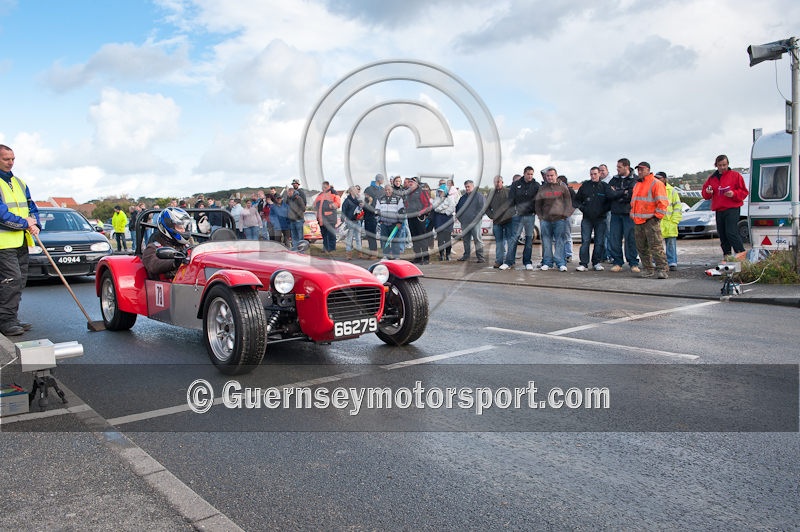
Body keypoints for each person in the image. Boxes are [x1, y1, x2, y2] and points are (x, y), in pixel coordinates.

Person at [0, 144, 40, 336]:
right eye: (6, 159)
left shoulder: (20, 183)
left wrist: (35, 223)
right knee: (11, 280)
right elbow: (2, 215)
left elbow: (32, 207)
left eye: (13, 159)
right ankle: (6, 321)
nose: (10, 162)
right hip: (2, 243)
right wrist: (24, 223)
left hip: (21, 241)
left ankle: (11, 317)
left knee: (20, 280)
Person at [701, 154, 749, 258]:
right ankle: (727, 256)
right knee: (722, 234)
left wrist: (733, 194)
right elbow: (705, 195)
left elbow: (744, 192)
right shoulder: (712, 178)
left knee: (731, 232)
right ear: (716, 165)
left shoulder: (736, 176)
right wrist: (708, 192)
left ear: (728, 164)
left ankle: (741, 254)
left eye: (724, 165)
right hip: (719, 209)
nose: (722, 167)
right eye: (720, 165)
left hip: (732, 208)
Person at [630, 162, 669, 279]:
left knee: (656, 246)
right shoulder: (637, 185)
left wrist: (656, 217)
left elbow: (662, 203)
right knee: (641, 247)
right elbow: (635, 202)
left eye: (642, 170)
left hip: (651, 220)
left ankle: (662, 269)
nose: (640, 172)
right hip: (638, 221)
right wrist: (633, 214)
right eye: (638, 170)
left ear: (648, 170)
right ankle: (648, 269)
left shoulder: (656, 183)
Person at [574, 166, 617, 271]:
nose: (593, 176)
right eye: (591, 174)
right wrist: (583, 208)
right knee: (585, 241)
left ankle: (596, 262)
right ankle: (583, 263)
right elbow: (576, 200)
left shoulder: (605, 187)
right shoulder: (585, 186)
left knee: (599, 242)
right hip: (587, 218)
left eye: (595, 174)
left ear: (599, 174)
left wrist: (603, 210)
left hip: (601, 218)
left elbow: (611, 199)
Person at [534, 167, 574, 271]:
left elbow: (568, 203)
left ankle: (561, 263)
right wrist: (541, 217)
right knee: (546, 242)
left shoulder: (562, 188)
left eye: (552, 175)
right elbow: (538, 204)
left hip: (559, 220)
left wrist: (565, 215)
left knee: (560, 242)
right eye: (548, 176)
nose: (550, 177)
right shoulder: (542, 188)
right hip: (546, 220)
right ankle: (547, 262)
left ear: (556, 175)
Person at [608, 158, 640, 273]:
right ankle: (617, 262)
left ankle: (633, 263)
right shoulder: (614, 179)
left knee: (631, 239)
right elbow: (610, 194)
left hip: (628, 213)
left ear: (626, 167)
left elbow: (632, 195)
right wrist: (622, 192)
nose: (617, 169)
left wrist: (617, 193)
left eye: (619, 167)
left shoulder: (635, 180)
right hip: (615, 213)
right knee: (615, 238)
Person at [142, 207, 193, 280]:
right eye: (179, 227)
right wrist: (174, 263)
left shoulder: (188, 247)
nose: (183, 230)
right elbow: (153, 265)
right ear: (168, 226)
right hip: (167, 286)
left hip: (189, 284)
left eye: (184, 227)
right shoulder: (153, 248)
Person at [509, 166, 539, 270]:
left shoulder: (536, 185)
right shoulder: (516, 184)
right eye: (528, 174)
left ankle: (527, 262)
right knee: (514, 238)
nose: (530, 176)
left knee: (529, 239)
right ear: (524, 174)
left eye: (531, 174)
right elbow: (510, 200)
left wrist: (535, 211)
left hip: (530, 216)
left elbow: (539, 200)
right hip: (517, 216)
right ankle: (509, 262)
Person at [485, 175, 514, 270]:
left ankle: (510, 261)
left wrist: (508, 215)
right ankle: (499, 261)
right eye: (495, 182)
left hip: (509, 221)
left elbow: (513, 206)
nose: (497, 184)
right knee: (499, 243)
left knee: (510, 242)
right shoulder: (491, 193)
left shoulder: (508, 192)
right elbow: (486, 207)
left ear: (502, 182)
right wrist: (492, 216)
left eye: (499, 182)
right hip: (497, 222)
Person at [655, 172, 683, 270]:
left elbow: (678, 206)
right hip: (658, 222)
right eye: (656, 178)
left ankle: (672, 262)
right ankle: (658, 263)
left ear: (665, 179)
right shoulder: (653, 189)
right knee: (656, 245)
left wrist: (674, 220)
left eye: (660, 178)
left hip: (669, 222)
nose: (657, 180)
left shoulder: (672, 191)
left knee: (670, 244)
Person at [455, 179, 486, 263]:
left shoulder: (479, 196)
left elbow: (483, 208)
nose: (467, 188)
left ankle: (480, 257)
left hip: (475, 222)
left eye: (468, 187)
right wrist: (461, 218)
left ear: (473, 186)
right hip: (464, 222)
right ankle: (466, 256)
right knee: (466, 240)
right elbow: (458, 209)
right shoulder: (462, 198)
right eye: (466, 187)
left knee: (477, 239)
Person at [404, 177, 432, 264]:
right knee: (414, 238)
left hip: (419, 217)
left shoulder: (422, 192)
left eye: (413, 181)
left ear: (417, 183)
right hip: (410, 217)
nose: (411, 183)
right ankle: (418, 257)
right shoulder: (408, 193)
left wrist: (421, 212)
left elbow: (429, 205)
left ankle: (426, 258)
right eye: (410, 181)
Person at [376, 184, 405, 260]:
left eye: (389, 190)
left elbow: (402, 211)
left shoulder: (398, 199)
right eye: (386, 190)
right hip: (384, 223)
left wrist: (400, 222)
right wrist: (379, 220)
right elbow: (377, 210)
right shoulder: (380, 199)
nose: (387, 191)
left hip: (395, 224)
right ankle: (386, 255)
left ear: (392, 190)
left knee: (395, 241)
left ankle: (396, 257)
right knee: (384, 240)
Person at [314, 181, 341, 253]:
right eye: (323, 187)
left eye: (325, 187)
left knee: (331, 234)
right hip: (321, 219)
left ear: (328, 186)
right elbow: (315, 204)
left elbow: (338, 203)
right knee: (324, 234)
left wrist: (331, 206)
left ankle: (331, 249)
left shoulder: (333, 193)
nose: (324, 188)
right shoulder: (320, 195)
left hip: (330, 218)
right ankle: (325, 248)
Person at [431, 184, 456, 261]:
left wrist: (444, 211)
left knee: (447, 238)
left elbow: (452, 208)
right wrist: (444, 207)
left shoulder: (450, 199)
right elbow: (435, 208)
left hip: (448, 218)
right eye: (439, 191)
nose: (440, 193)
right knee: (440, 238)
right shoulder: (437, 199)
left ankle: (448, 255)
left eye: (441, 191)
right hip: (439, 219)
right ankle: (441, 254)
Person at [363, 174, 386, 253]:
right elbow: (365, 204)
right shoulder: (368, 189)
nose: (383, 181)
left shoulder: (383, 190)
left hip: (381, 214)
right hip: (370, 214)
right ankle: (373, 251)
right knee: (370, 233)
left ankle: (384, 251)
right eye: (382, 179)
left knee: (384, 233)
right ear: (379, 180)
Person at [341, 186, 364, 259]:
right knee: (349, 238)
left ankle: (360, 253)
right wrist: (343, 219)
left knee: (358, 238)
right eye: (354, 190)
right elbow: (343, 210)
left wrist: (361, 206)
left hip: (357, 221)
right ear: (351, 191)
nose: (356, 191)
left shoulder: (358, 200)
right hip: (350, 221)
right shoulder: (347, 200)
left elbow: (361, 209)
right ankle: (348, 254)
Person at [557, 174, 576, 263]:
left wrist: (569, 212)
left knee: (567, 236)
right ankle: (561, 254)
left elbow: (575, 203)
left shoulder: (570, 191)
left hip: (567, 216)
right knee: (559, 236)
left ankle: (569, 254)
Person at [285, 186, 306, 250]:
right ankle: (295, 249)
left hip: (298, 220)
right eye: (288, 192)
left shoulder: (298, 198)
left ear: (292, 192)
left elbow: (303, 208)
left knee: (300, 236)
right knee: (294, 236)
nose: (288, 193)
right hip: (291, 220)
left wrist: (297, 215)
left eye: (289, 192)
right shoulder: (289, 199)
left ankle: (301, 250)